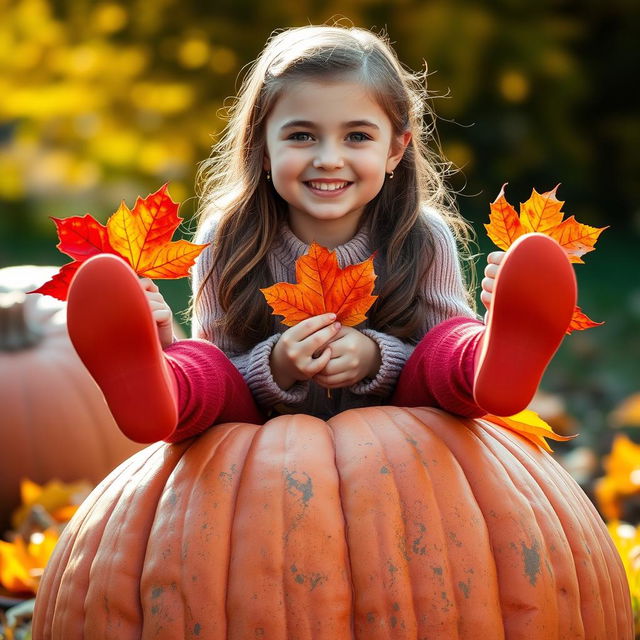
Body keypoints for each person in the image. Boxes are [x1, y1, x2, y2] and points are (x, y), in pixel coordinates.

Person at [66, 24, 577, 444]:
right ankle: (160, 391)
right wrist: (279, 365)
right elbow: (225, 364)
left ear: (395, 150)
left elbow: (428, 356)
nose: (328, 157)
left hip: (407, 436)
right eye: (301, 135)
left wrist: (378, 356)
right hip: (260, 445)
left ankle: (491, 361)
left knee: (448, 344)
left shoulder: (421, 236)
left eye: (357, 136)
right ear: (262, 147)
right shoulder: (230, 236)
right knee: (203, 368)